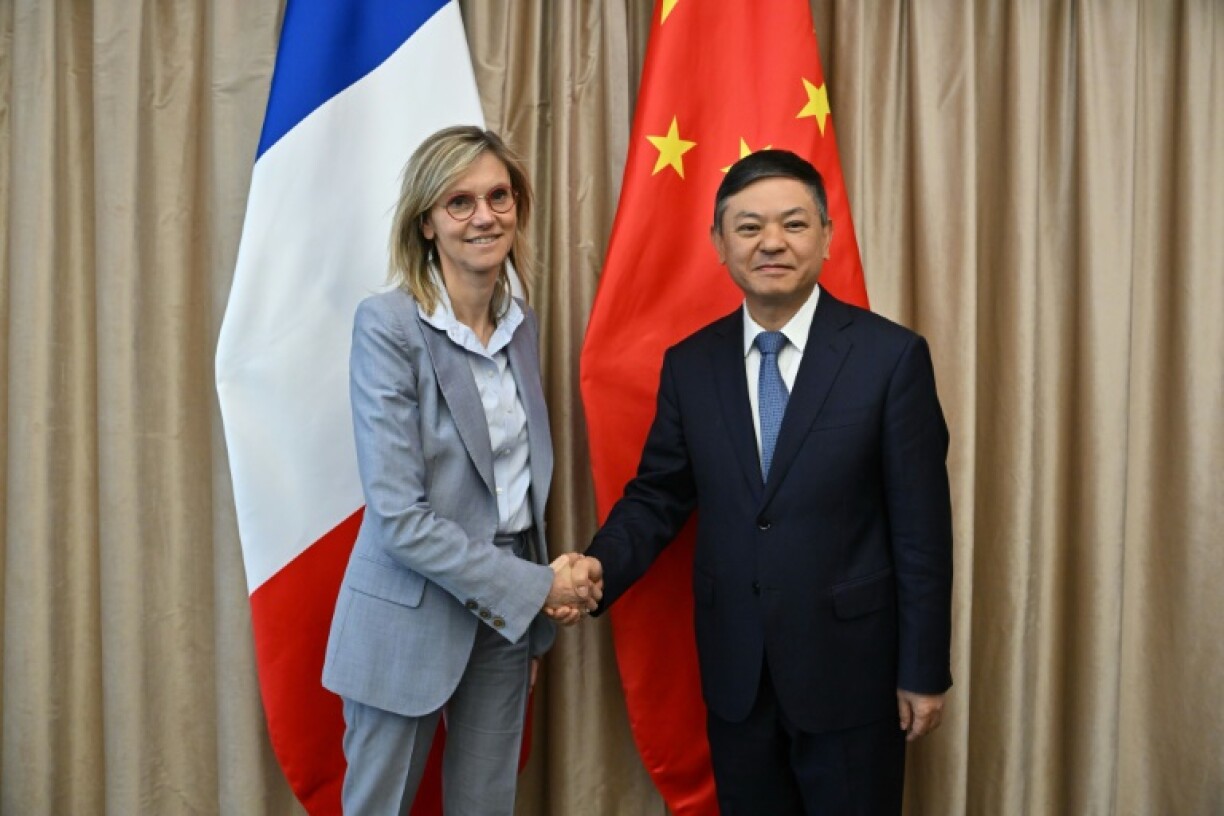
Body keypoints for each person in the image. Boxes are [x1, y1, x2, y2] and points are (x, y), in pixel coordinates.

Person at [577, 149, 953, 814]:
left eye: (794, 224)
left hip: (854, 677)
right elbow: (660, 495)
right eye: (749, 227)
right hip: (737, 676)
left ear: (828, 236)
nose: (771, 242)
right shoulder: (690, 366)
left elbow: (922, 532)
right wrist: (594, 569)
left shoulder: (890, 359)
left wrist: (923, 670)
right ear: (719, 243)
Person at [322, 125, 599, 815]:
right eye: (460, 201)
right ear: (426, 222)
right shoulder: (387, 326)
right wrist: (538, 587)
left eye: (498, 196)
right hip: (410, 614)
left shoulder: (520, 323)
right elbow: (400, 520)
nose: (484, 216)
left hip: (503, 619)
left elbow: (516, 488)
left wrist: (531, 596)